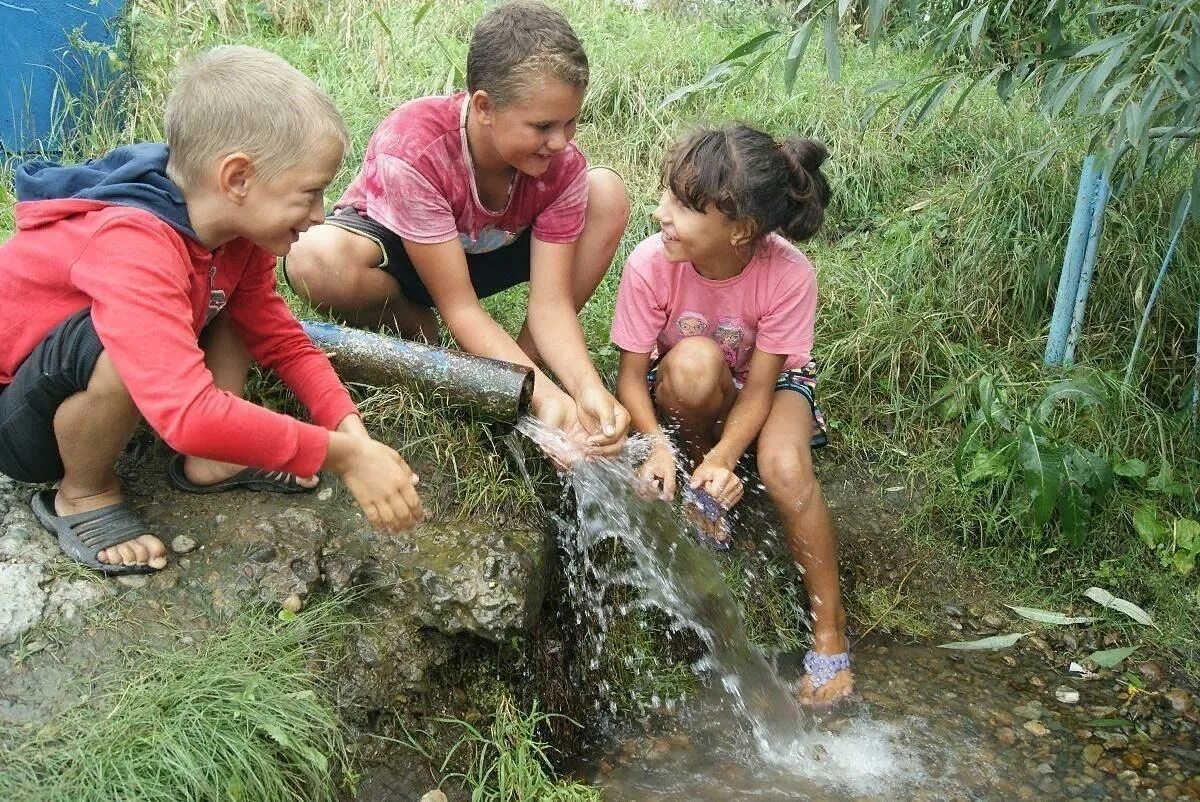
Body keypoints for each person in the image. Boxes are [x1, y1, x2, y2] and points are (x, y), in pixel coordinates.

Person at [0, 46, 424, 576]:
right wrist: (338, 454)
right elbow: (186, 415)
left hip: (96, 389)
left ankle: (214, 458)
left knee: (233, 308)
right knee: (115, 343)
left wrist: (354, 433)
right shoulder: (133, 242)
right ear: (238, 178)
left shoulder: (235, 233)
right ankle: (83, 493)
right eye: (310, 193)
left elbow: (282, 339)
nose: (321, 214)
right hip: (18, 420)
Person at [284, 0, 630, 461]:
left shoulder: (560, 166)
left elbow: (551, 303)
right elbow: (460, 305)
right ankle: (421, 333)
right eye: (543, 125)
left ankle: (525, 373)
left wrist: (585, 388)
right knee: (313, 257)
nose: (562, 141)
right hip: (401, 254)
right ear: (484, 106)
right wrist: (549, 399)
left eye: (570, 121)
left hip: (489, 251)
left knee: (606, 193)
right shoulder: (415, 147)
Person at [609, 124, 851, 704]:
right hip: (693, 386)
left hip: (767, 389)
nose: (663, 211)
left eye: (687, 205)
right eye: (667, 193)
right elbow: (628, 379)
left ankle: (830, 634)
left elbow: (762, 388)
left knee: (786, 468)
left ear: (740, 230)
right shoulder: (651, 263)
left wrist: (727, 455)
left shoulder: (789, 274)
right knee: (692, 365)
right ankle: (704, 490)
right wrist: (660, 447)